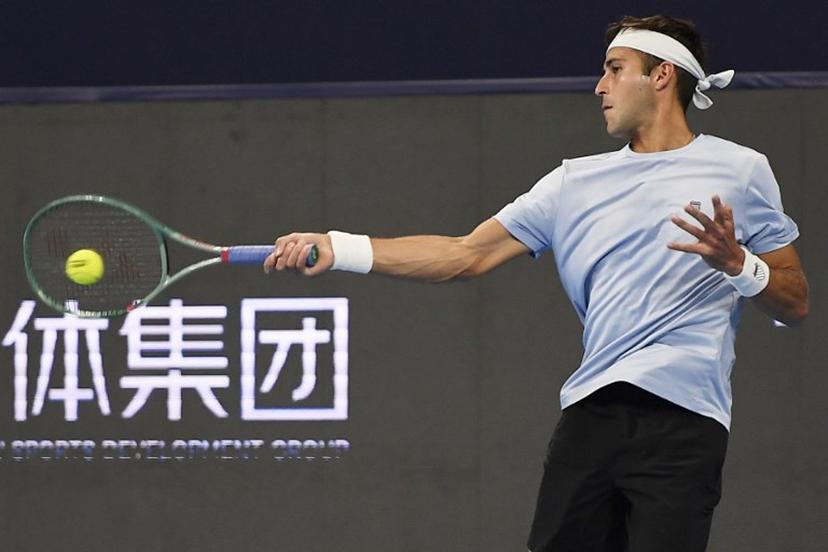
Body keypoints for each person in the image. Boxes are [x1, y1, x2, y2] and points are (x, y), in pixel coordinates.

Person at [263, 14, 810, 552]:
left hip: (685, 424)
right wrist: (341, 248)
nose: (600, 86)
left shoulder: (741, 171)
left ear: (661, 76)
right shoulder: (572, 182)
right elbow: (464, 254)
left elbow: (794, 302)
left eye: (615, 69)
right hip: (590, 419)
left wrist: (739, 264)